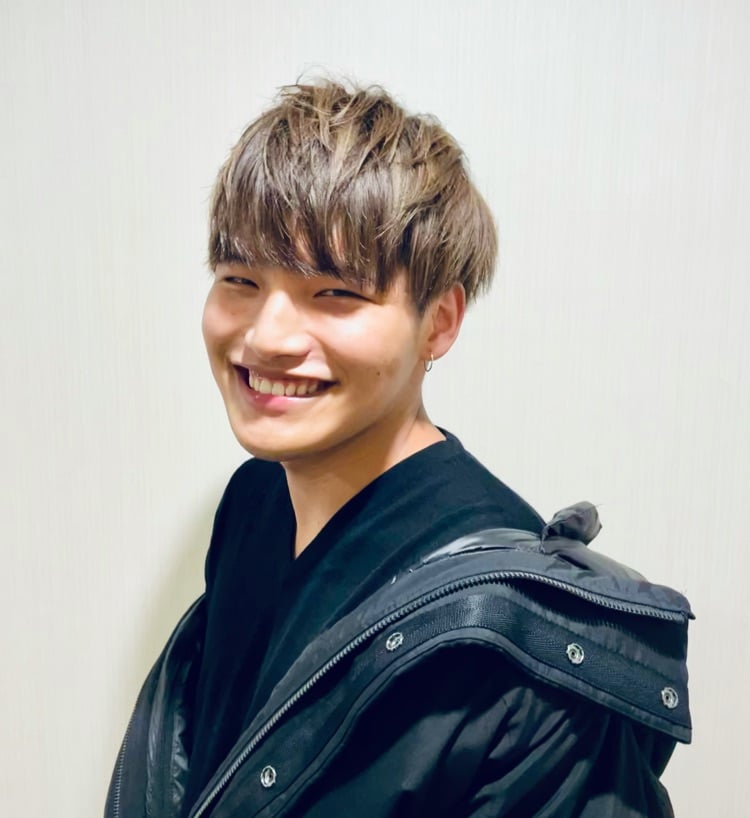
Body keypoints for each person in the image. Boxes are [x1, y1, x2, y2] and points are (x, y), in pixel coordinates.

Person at [105, 80, 691, 818]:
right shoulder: (255, 500)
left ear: (439, 322)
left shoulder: (525, 642)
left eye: (335, 293)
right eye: (239, 279)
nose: (265, 336)